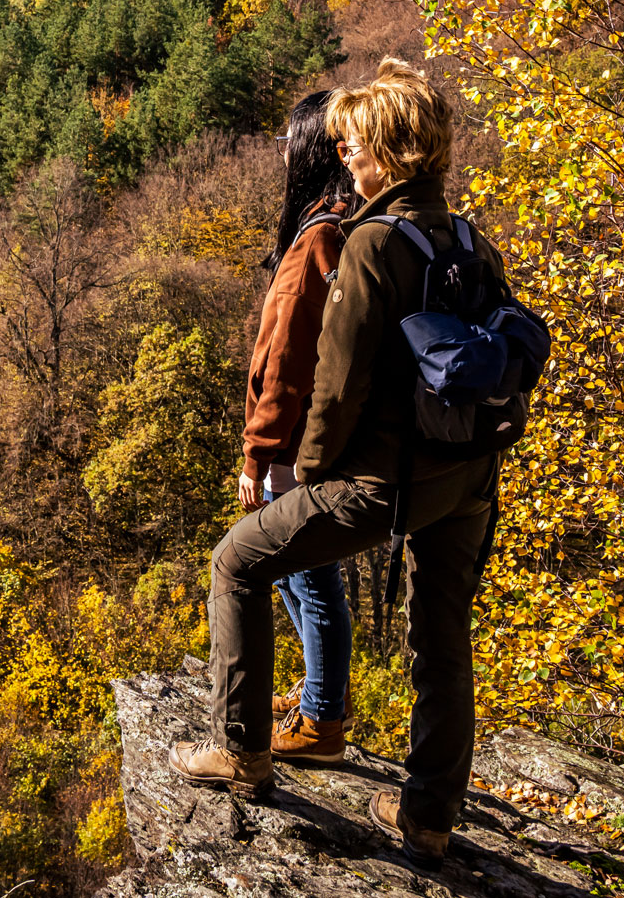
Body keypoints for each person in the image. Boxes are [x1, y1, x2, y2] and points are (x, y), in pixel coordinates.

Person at [166, 57, 506, 866]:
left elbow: (337, 382)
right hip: (467, 478)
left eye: (354, 145)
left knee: (238, 560)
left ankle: (243, 752)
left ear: (388, 152)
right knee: (442, 635)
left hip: (384, 481)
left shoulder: (372, 242)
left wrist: (308, 477)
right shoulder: (468, 240)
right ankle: (428, 815)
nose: (344, 155)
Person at [242, 91, 358, 764]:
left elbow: (284, 355)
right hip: (321, 435)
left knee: (307, 577)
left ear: (312, 147)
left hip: (293, 445)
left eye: (288, 138)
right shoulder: (344, 226)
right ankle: (321, 690)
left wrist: (257, 454)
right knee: (297, 571)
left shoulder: (318, 236)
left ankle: (322, 718)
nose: (280, 150)